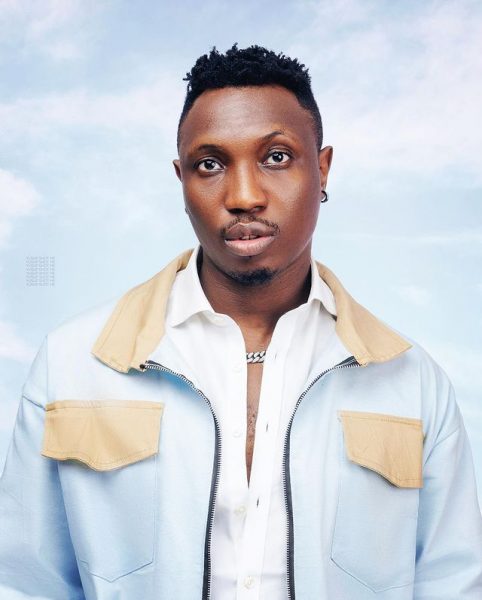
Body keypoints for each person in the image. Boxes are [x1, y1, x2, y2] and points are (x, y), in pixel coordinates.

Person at [0, 43, 481, 600]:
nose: (244, 196)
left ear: (322, 168)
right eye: (210, 164)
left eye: (276, 157)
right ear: (181, 180)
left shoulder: (412, 383)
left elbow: (454, 585)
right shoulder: (73, 365)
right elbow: (24, 585)